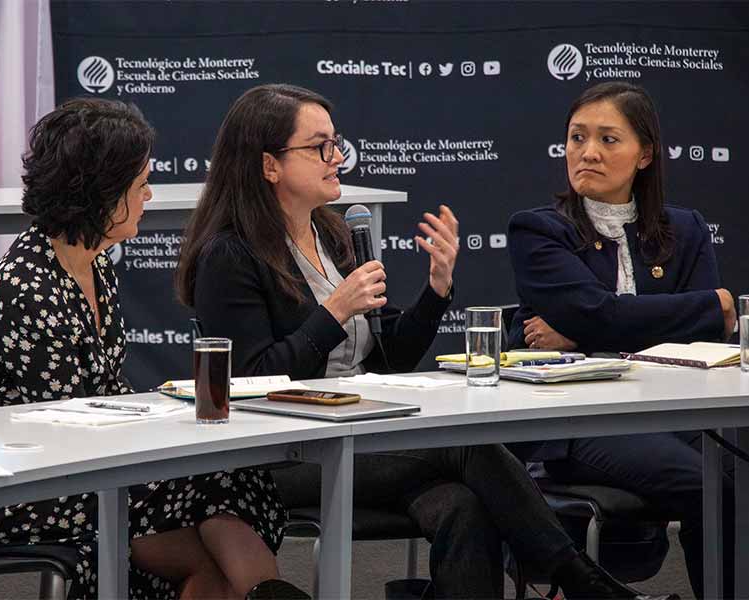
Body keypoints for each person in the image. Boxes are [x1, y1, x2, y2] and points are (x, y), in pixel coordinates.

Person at [175, 83, 676, 600]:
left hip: (358, 433)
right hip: (282, 455)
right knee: (464, 446)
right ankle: (583, 584)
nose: (336, 156)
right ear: (270, 165)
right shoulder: (229, 256)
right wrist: (335, 311)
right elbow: (251, 381)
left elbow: (389, 358)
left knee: (464, 505)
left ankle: (579, 584)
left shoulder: (333, 236)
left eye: (335, 141)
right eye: (319, 146)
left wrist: (436, 291)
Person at [0, 98, 304, 600]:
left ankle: (259, 590)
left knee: (231, 486)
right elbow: (69, 426)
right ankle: (264, 590)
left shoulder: (95, 263)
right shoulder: (27, 290)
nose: (150, 194)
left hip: (79, 464)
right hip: (6, 486)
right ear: (101, 195)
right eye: (140, 185)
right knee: (213, 502)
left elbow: (103, 403)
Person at [507, 81, 736, 599]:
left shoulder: (687, 230)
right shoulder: (537, 231)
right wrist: (709, 305)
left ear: (645, 154)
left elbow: (699, 341)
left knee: (748, 470)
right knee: (712, 488)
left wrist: (591, 331)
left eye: (609, 139)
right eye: (577, 137)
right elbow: (599, 313)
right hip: (579, 421)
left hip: (677, 412)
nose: (587, 152)